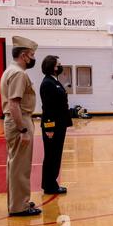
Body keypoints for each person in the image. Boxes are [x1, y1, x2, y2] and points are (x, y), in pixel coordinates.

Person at [0, 36, 41, 217]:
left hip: (17, 120)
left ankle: (19, 201)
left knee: (16, 164)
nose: (32, 58)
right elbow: (14, 104)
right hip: (19, 121)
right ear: (24, 55)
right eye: (31, 55)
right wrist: (23, 130)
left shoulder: (10, 70)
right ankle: (19, 207)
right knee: (20, 166)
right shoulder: (18, 73)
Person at [40, 55, 73, 195]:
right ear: (52, 67)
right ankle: (49, 186)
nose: (60, 66)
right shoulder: (48, 83)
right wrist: (49, 128)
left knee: (55, 155)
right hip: (53, 127)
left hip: (60, 124)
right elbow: (48, 108)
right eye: (58, 64)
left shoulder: (55, 81)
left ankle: (51, 183)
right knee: (51, 156)